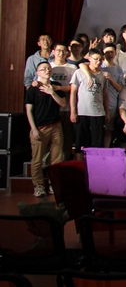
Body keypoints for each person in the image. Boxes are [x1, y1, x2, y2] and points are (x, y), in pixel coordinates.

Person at [25, 61, 66, 197]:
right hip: (40, 127)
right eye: (43, 69)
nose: (47, 71)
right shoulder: (32, 89)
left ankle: (53, 184)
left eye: (48, 68)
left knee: (57, 158)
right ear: (37, 73)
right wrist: (34, 128)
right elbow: (29, 110)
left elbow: (63, 103)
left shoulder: (56, 86)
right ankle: (38, 185)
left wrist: (52, 92)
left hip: (55, 125)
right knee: (37, 159)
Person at [70, 49, 108, 154]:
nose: (98, 62)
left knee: (98, 143)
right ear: (89, 59)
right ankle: (80, 163)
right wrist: (73, 111)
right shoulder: (79, 72)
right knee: (80, 143)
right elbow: (73, 93)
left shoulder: (103, 75)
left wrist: (107, 112)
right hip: (82, 112)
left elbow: (105, 95)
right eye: (96, 59)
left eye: (100, 59)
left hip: (98, 112)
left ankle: (97, 163)